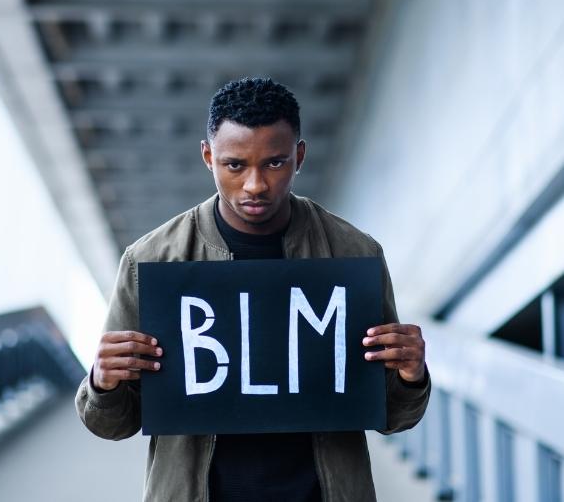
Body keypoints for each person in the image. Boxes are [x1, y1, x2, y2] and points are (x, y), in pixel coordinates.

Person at [75, 77, 430, 502]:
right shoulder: (152, 259)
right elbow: (113, 423)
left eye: (275, 163)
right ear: (208, 157)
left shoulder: (353, 253)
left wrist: (411, 376)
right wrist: (103, 383)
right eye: (235, 165)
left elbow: (391, 415)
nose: (255, 185)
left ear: (299, 156)